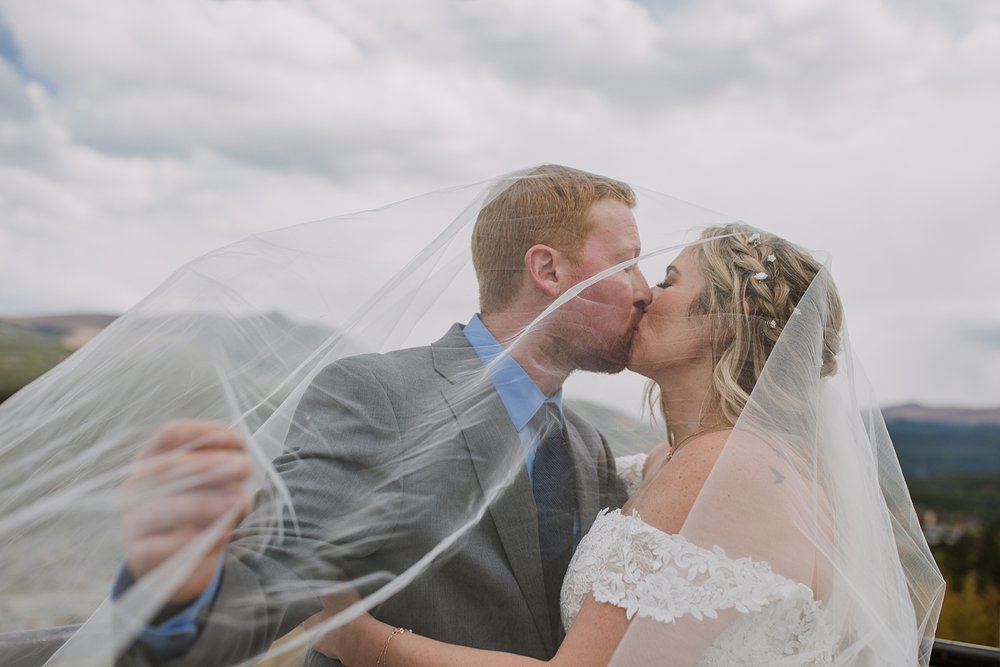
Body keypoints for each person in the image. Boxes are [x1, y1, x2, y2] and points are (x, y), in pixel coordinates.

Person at [304, 225, 945, 666]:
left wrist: (359, 639)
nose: (642, 293)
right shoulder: (673, 463)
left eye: (667, 280)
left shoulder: (730, 469)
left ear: (727, 319)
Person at [112, 165, 652, 665]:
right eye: (626, 264)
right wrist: (178, 588)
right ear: (548, 270)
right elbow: (263, 590)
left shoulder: (587, 445)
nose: (645, 292)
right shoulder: (378, 396)